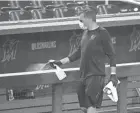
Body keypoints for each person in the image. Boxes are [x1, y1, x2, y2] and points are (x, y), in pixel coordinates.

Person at [49, 8, 118, 113]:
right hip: (83, 76)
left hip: (96, 76)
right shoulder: (85, 33)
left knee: (91, 107)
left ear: (89, 19)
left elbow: (112, 55)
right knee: (84, 108)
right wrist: (60, 62)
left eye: (81, 20)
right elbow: (77, 53)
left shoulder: (103, 33)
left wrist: (113, 75)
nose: (79, 22)